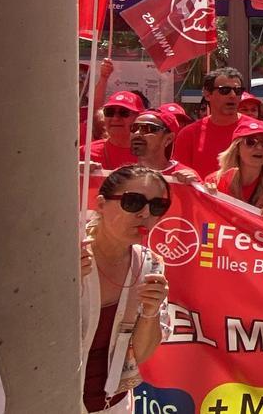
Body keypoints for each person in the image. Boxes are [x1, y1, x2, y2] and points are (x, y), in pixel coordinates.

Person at [80, 165, 171, 414]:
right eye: (133, 202)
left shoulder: (150, 265)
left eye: (157, 206)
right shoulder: (66, 252)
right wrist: (60, 284)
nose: (145, 214)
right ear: (100, 203)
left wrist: (150, 312)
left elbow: (141, 355)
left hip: (113, 405)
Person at [173, 68, 260, 178]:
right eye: (225, 90)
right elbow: (181, 179)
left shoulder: (257, 131)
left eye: (238, 91)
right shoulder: (188, 135)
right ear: (207, 94)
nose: (233, 95)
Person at [206, 119, 263, 219]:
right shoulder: (215, 181)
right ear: (236, 148)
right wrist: (207, 199)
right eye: (251, 142)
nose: (259, 147)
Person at [126, 110, 198, 181]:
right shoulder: (122, 176)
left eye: (147, 128)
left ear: (168, 139)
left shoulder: (184, 179)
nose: (137, 133)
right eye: (134, 128)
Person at [82, 91, 146, 171]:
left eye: (124, 112)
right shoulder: (86, 152)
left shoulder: (153, 153)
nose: (115, 118)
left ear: (139, 118)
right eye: (110, 112)